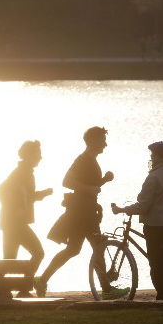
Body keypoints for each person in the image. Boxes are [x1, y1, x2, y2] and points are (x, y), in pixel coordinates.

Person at [38, 126, 118, 298]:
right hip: (83, 213)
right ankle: (107, 290)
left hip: (85, 211)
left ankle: (42, 280)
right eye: (102, 140)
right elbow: (66, 181)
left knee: (74, 249)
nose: (105, 144)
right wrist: (89, 188)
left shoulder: (91, 160)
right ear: (92, 141)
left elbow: (90, 187)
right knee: (97, 247)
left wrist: (104, 180)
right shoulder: (83, 160)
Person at [111, 141, 163, 300]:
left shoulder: (154, 177)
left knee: (156, 262)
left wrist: (123, 209)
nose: (151, 158)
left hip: (156, 225)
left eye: (153, 155)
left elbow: (143, 205)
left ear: (158, 157)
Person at [0, 141, 53, 297]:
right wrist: (16, 208)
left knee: (9, 259)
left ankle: (0, 289)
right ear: (29, 155)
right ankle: (22, 289)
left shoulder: (25, 172)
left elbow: (27, 196)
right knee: (38, 253)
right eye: (37, 154)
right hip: (14, 223)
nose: (40, 157)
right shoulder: (21, 172)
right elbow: (1, 191)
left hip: (11, 222)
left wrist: (43, 194)